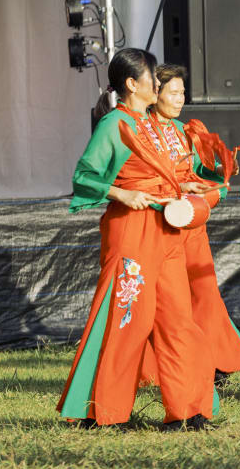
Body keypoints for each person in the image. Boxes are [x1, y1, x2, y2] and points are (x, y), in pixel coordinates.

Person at [56, 48, 215, 430]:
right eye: (153, 79)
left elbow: (165, 173)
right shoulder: (116, 124)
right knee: (127, 319)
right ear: (132, 84)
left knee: (178, 321)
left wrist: (187, 185)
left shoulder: (154, 126)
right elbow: (85, 176)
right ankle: (105, 414)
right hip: (131, 230)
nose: (158, 85)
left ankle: (187, 410)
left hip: (167, 231)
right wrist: (122, 194)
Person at [137, 63, 240, 388]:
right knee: (162, 302)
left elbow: (194, 172)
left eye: (182, 93)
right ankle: (159, 367)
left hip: (190, 225)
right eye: (173, 92)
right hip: (159, 225)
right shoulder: (140, 130)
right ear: (154, 94)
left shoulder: (183, 132)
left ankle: (215, 361)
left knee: (204, 293)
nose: (180, 100)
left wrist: (218, 173)